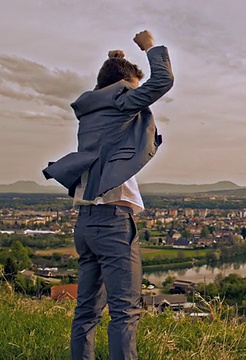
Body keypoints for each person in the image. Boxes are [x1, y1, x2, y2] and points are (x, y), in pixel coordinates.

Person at [42, 30, 174, 360]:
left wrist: (114, 64)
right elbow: (163, 81)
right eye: (130, 87)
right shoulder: (119, 101)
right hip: (114, 222)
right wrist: (148, 47)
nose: (135, 95)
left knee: (86, 312)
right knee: (124, 314)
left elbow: (109, 85)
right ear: (120, 88)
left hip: (86, 222)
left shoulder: (91, 112)